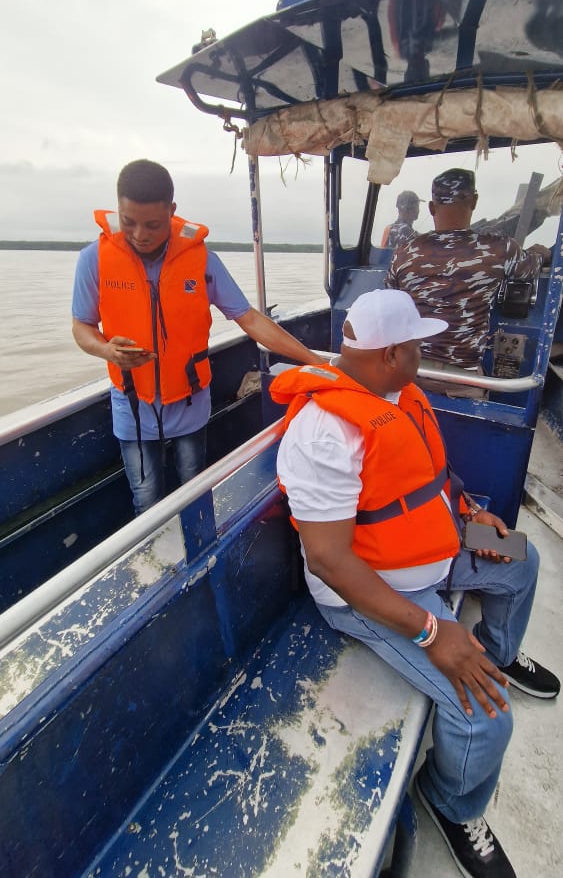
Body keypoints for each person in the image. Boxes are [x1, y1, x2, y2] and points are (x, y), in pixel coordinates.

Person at [272, 289, 559, 878]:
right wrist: (434, 631)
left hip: (436, 545)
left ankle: (497, 654)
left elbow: (429, 473)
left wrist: (471, 509)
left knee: (522, 562)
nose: (424, 354)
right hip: (377, 591)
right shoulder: (325, 432)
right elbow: (328, 560)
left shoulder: (399, 393)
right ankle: (451, 802)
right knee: (485, 716)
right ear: (391, 353)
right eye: (417, 346)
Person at [72, 158, 323, 515]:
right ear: (117, 211)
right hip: (132, 402)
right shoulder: (93, 260)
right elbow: (81, 326)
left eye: (153, 225)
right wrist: (105, 349)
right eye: (128, 222)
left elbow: (249, 318)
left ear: (172, 211)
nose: (140, 234)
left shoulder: (201, 260)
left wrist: (313, 360)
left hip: (189, 400)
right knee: (146, 498)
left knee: (194, 487)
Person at [385, 168, 550, 391]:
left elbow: (390, 297)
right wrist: (541, 253)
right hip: (462, 380)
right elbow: (530, 268)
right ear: (474, 201)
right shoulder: (499, 249)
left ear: (432, 208)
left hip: (410, 376)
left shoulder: (405, 251)